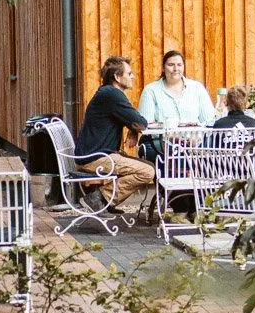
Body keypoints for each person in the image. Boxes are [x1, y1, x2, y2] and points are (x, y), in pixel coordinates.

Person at [75, 56, 156, 215]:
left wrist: (133, 129)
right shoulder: (112, 94)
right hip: (94, 158)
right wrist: (135, 126)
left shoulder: (107, 93)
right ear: (118, 77)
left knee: (149, 167)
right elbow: (141, 122)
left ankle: (105, 200)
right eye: (129, 73)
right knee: (147, 172)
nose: (132, 76)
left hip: (95, 154)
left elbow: (134, 122)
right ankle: (100, 198)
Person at [137, 49, 216, 127]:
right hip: (161, 139)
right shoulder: (151, 90)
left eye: (179, 65)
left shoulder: (197, 88)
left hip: (195, 139)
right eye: (171, 65)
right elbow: (146, 125)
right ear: (163, 68)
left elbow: (209, 121)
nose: (176, 69)